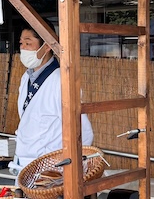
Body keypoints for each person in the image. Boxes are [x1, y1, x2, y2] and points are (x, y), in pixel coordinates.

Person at [11, 20, 94, 171]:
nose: (23, 48)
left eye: (28, 43)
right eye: (21, 43)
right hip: (25, 162)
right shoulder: (26, 78)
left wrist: (71, 166)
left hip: (51, 167)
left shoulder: (61, 81)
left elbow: (82, 130)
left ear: (47, 46)